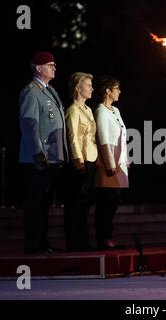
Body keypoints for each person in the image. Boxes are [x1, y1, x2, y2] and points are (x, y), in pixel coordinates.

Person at [19, 51, 68, 254]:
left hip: (52, 157)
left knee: (45, 204)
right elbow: (30, 125)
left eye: (54, 64)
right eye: (49, 65)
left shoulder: (50, 91)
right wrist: (38, 154)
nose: (53, 67)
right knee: (36, 204)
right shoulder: (31, 91)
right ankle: (33, 245)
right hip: (38, 159)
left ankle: (41, 242)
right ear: (37, 68)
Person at [64, 72, 98, 252]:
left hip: (91, 158)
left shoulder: (88, 110)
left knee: (85, 203)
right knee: (75, 202)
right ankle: (73, 241)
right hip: (80, 160)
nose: (91, 88)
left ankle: (83, 241)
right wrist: (77, 158)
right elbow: (72, 138)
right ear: (78, 88)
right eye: (87, 85)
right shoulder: (73, 110)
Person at [94, 76, 129, 249]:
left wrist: (125, 159)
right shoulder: (101, 111)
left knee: (115, 200)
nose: (119, 91)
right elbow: (104, 138)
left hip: (118, 160)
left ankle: (109, 236)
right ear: (108, 91)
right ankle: (103, 237)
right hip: (109, 161)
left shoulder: (115, 110)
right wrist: (110, 164)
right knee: (106, 202)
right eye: (116, 88)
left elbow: (122, 136)